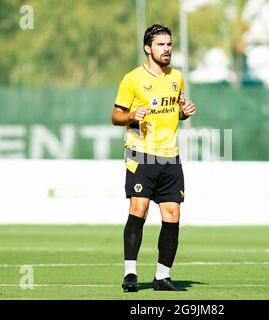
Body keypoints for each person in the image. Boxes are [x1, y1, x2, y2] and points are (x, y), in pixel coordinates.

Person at [111, 24, 196, 292]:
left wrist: (184, 112)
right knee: (139, 209)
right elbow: (116, 116)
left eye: (169, 44)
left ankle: (162, 277)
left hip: (170, 156)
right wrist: (131, 116)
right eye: (161, 44)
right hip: (141, 153)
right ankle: (130, 274)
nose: (167, 49)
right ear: (148, 48)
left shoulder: (177, 77)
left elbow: (176, 109)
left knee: (172, 214)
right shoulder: (132, 79)